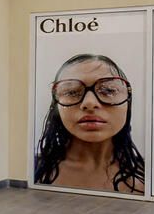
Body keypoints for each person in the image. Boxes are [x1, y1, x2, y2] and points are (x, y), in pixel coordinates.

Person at [35, 53, 145, 194]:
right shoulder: (33, 170)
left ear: (128, 103)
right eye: (72, 92)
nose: (90, 103)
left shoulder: (151, 176)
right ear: (56, 105)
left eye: (108, 90)